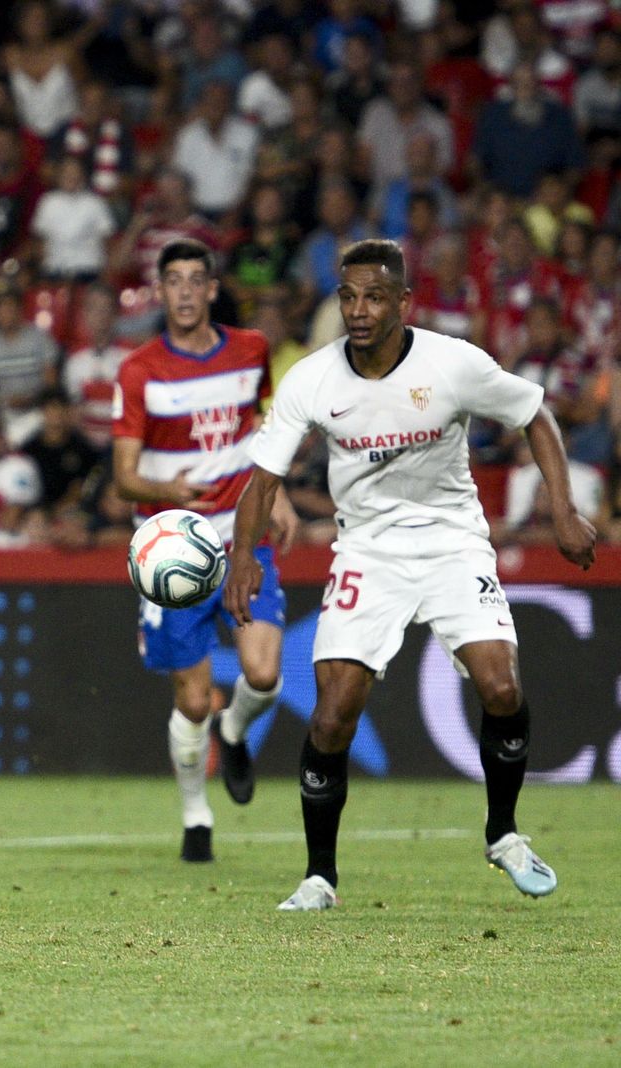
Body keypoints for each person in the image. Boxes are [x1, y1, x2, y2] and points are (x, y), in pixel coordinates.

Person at [224, 239, 597, 911]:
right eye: (348, 297)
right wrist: (243, 555)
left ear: (403, 301)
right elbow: (263, 481)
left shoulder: (452, 363)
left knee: (502, 686)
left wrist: (564, 510)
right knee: (331, 716)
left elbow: (534, 415)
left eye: (374, 297)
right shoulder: (312, 379)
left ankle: (503, 833)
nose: (358, 311)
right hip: (368, 552)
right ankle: (319, 877)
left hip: (454, 544)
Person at [112, 238, 298, 864]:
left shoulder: (251, 351)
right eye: (175, 280)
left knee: (264, 675)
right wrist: (166, 491)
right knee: (192, 701)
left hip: (242, 539)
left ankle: (236, 728)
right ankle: (196, 815)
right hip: (173, 556)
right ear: (159, 291)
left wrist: (278, 495)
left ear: (213, 289)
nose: (186, 291)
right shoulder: (139, 370)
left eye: (197, 279)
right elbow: (123, 477)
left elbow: (263, 431)